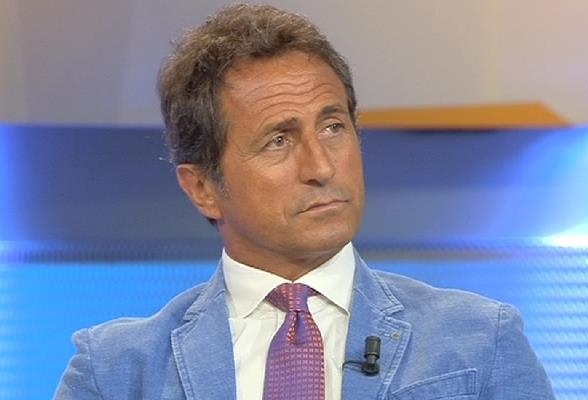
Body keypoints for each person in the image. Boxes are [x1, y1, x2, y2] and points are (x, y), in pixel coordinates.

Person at [55, 4, 555, 399]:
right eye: (279, 140)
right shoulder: (119, 371)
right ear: (202, 187)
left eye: (333, 127)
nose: (321, 167)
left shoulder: (479, 340)